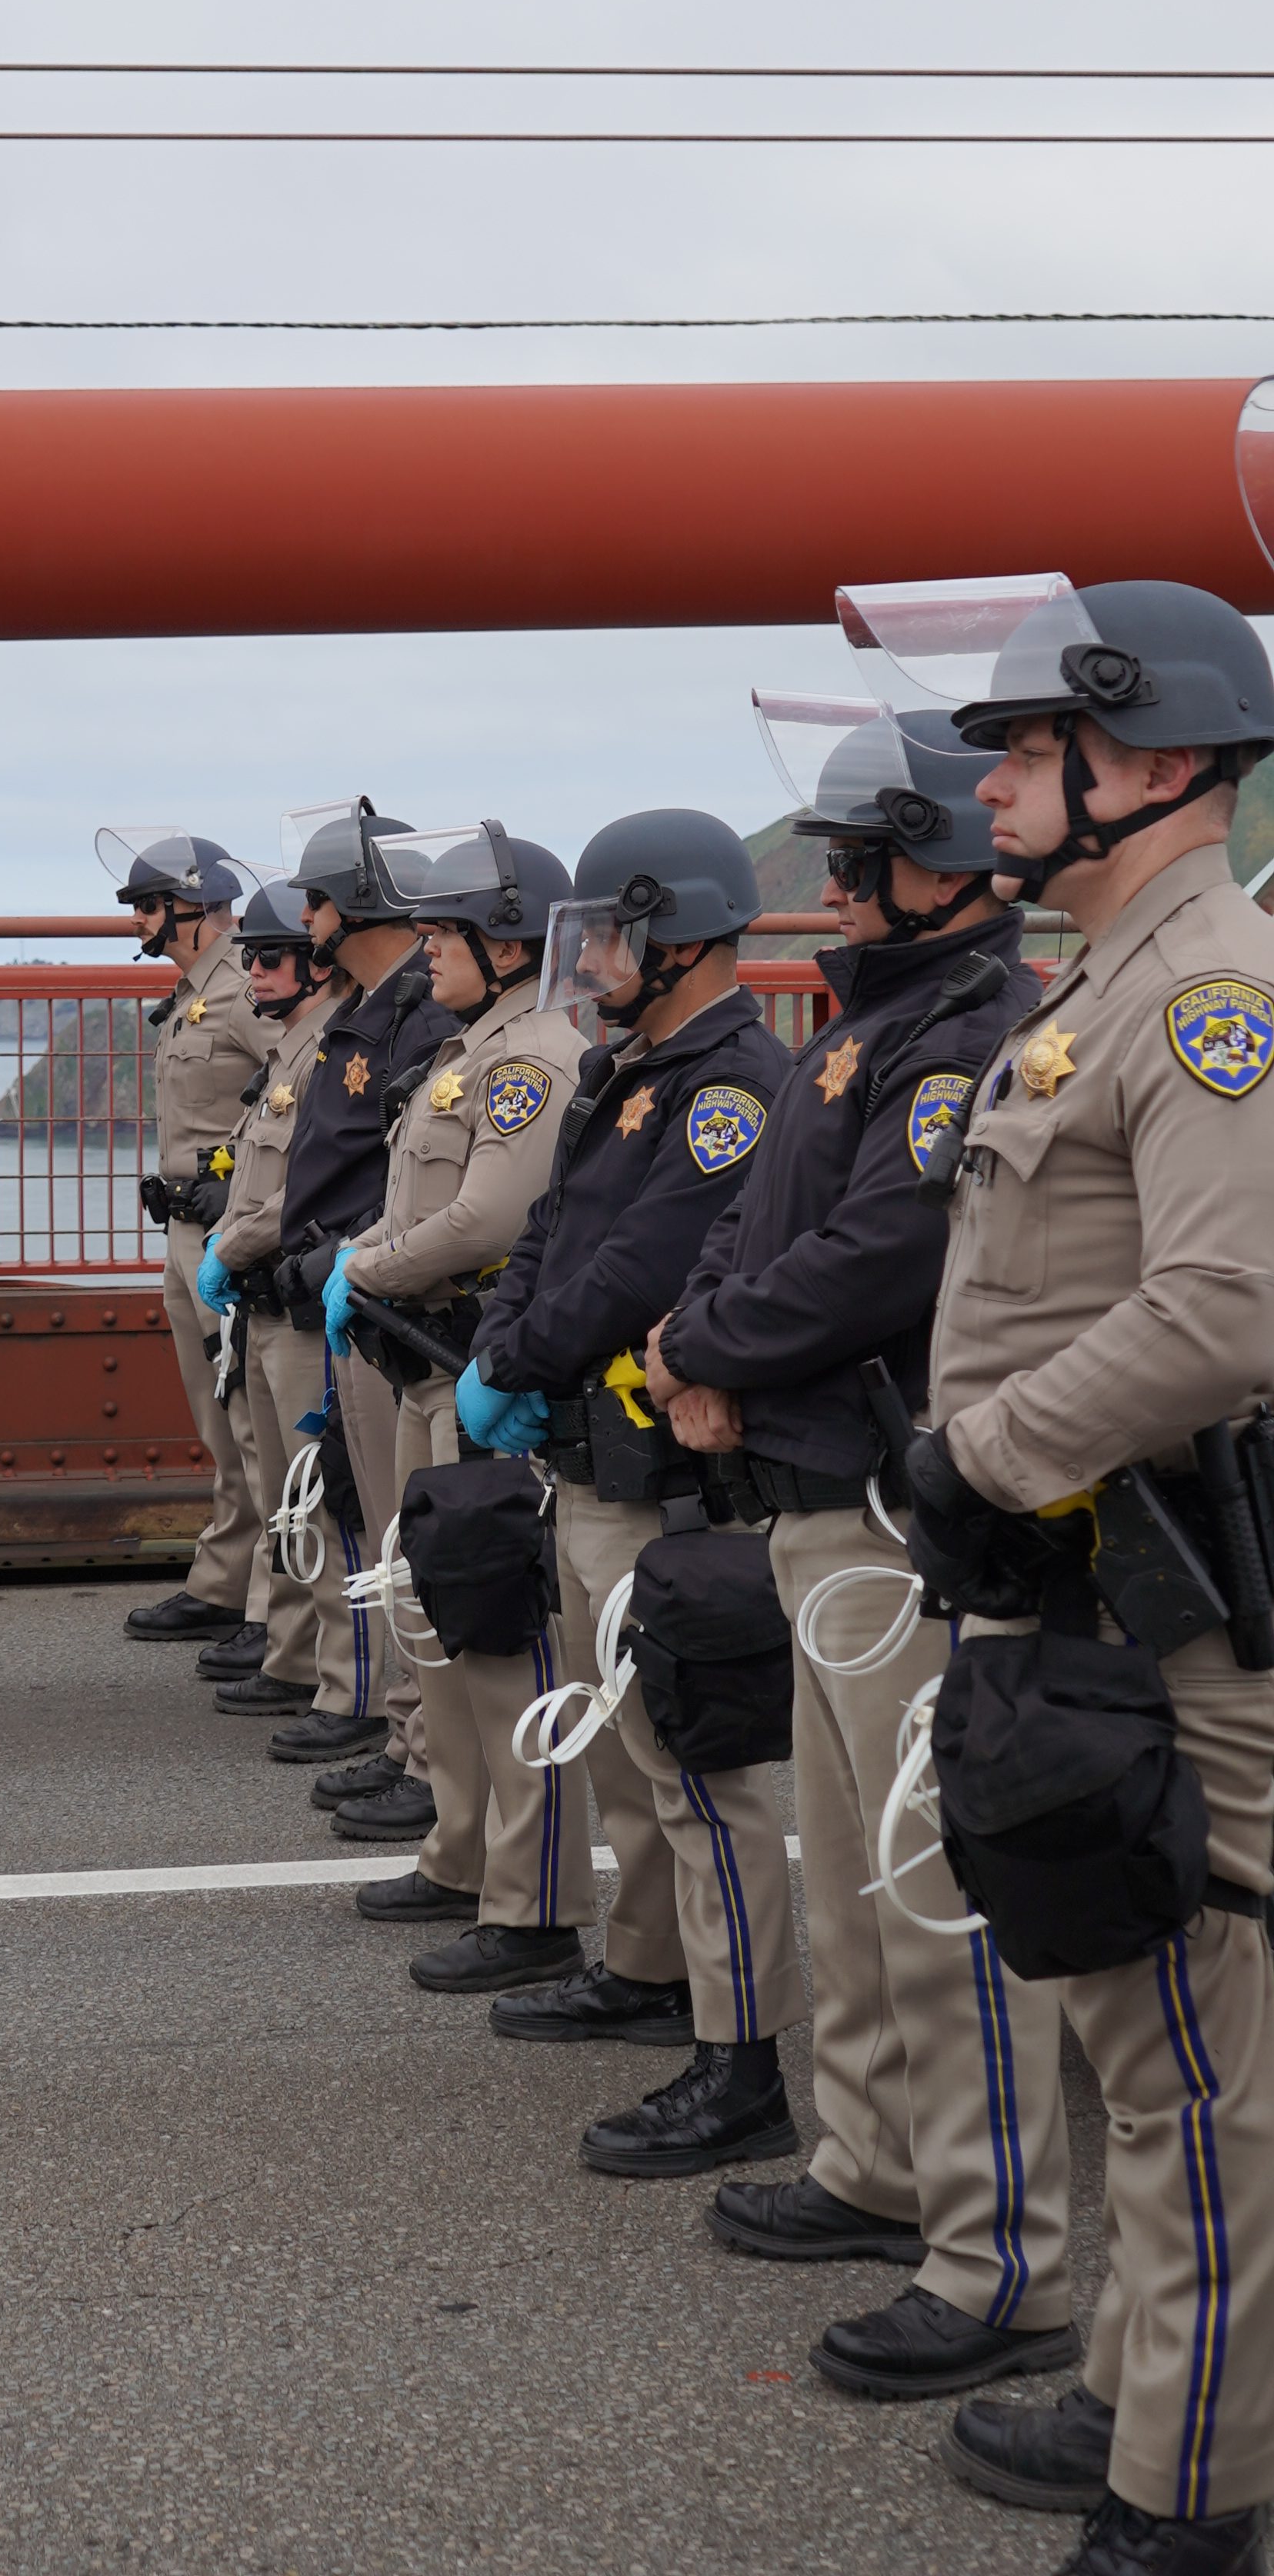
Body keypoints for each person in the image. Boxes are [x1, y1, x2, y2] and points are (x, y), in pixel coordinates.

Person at [873, 578, 1274, 2576]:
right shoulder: (1094, 988)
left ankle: (1186, 2500)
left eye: (1031, 752)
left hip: (1165, 1609)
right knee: (1137, 2052)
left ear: (1157, 760)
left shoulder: (1213, 993)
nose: (999, 787)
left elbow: (1223, 1303)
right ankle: (1140, 2388)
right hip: (1073, 1593)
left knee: (1201, 2068)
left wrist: (982, 1460)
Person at [652, 705, 1078, 2395]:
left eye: (855, 859)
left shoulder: (967, 1032)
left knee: (928, 1887)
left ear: (944, 871)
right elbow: (769, 1230)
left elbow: (881, 1256)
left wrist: (705, 1350)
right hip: (815, 1493)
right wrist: (705, 1337)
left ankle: (996, 2257)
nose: (829, 888)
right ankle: (877, 2162)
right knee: (850, 1876)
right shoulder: (866, 1031)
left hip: (896, 1510)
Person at [465, 809, 804, 2174]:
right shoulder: (627, 1068)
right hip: (579, 1446)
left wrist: (527, 1351)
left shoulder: (729, 1085)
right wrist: (505, 1341)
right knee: (622, 1739)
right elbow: (552, 1227)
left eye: (610, 930)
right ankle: (649, 1962)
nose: (592, 955)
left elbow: (645, 1266)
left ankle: (737, 2052)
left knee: (691, 1764)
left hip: (657, 1470)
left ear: (681, 934)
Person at [324, 821, 596, 1980]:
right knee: (439, 1629)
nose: (424, 949)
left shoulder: (532, 1055)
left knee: (501, 1640)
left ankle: (529, 1902)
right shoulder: (466, 1048)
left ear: (505, 939)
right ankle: (460, 1852)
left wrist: (364, 1267)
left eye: (443, 931)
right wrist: (368, 1259)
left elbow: (487, 1222)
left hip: (475, 1365)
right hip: (425, 1362)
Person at [265, 798, 451, 1767]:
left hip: (387, 1303)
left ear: (358, 905)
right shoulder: (368, 1017)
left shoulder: (420, 1023)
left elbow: (414, 1179)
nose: (304, 925)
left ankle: (414, 1747)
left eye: (318, 904)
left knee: (394, 1534)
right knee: (363, 1513)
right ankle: (401, 1735)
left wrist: (342, 1260)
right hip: (348, 1298)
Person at [95, 828, 275, 1648]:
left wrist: (235, 1172)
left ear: (190, 908)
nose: (136, 921)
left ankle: (273, 1607)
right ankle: (225, 1581)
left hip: (228, 1225)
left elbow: (296, 1094)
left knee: (248, 1419)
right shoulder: (197, 990)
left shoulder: (243, 985)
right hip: (185, 1226)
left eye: (146, 906)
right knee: (217, 1418)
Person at [192, 878, 339, 1714]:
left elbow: (309, 1188)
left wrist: (229, 1243)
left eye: (272, 957)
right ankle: (290, 1656)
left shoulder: (329, 1051)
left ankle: (334, 1679)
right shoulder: (291, 1046)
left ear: (319, 963)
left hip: (296, 1294)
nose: (255, 972)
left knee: (314, 1500)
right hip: (257, 1291)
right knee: (281, 1492)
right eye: (249, 957)